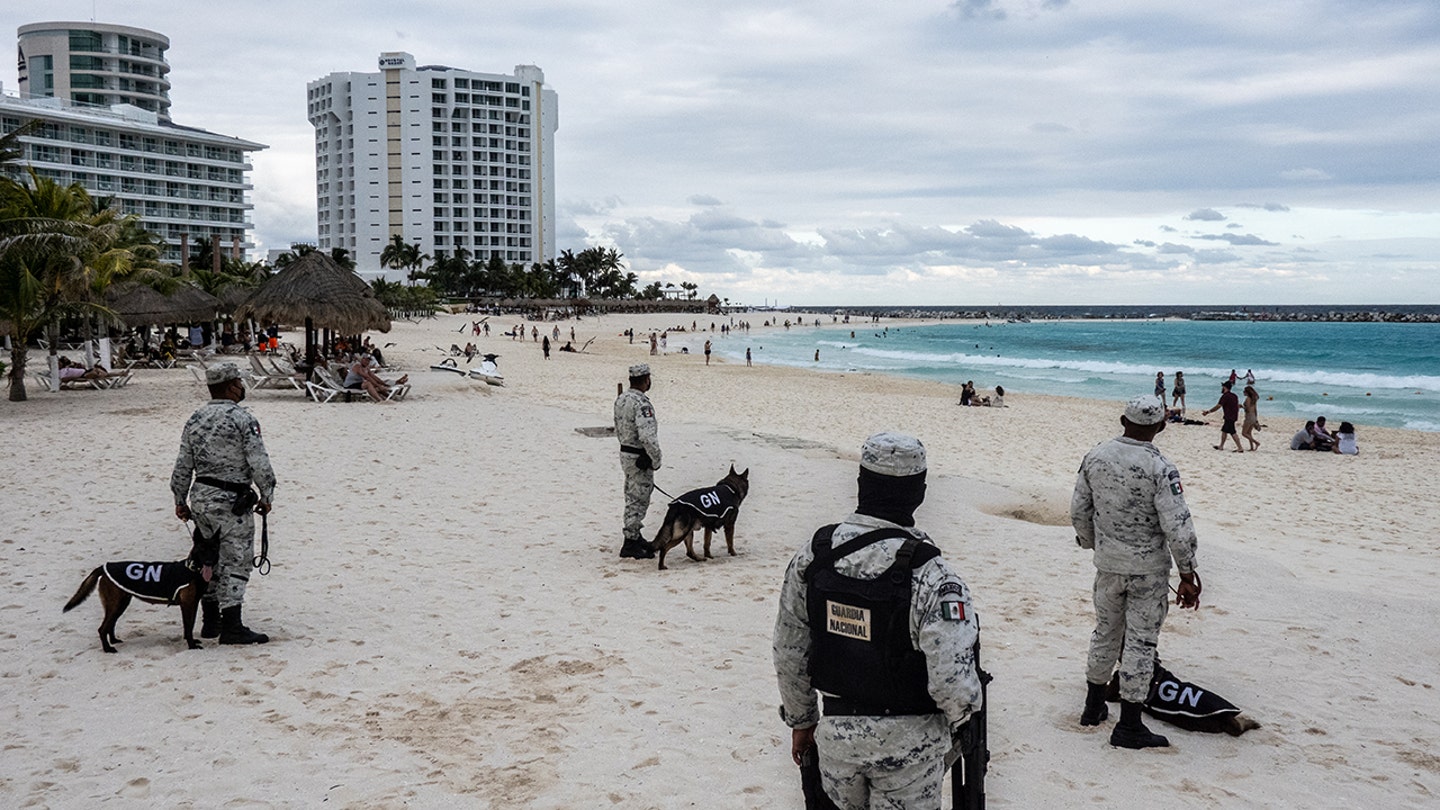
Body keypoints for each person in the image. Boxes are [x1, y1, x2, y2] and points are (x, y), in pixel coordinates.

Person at [774, 433, 983, 808]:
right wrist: (961, 723)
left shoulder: (815, 555)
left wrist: (801, 720)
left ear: (860, 484)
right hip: (910, 750)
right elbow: (952, 681)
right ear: (919, 493)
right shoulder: (933, 574)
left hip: (838, 741)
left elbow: (789, 650)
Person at [1072, 395, 1201, 749]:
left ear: (1122, 420)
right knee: (1141, 644)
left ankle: (1092, 707)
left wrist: (1092, 544)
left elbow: (1079, 510)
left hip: (1109, 564)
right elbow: (1177, 525)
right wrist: (1188, 573)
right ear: (1161, 427)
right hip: (1147, 572)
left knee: (1105, 633)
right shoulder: (1160, 466)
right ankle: (1129, 725)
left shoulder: (1095, 456)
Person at [170, 364, 276, 645]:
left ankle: (210, 621)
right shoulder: (243, 418)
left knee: (208, 558)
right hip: (232, 500)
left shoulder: (195, 418)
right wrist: (267, 495)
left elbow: (183, 464)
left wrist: (180, 499)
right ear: (231, 386)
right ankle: (232, 625)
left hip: (202, 498)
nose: (242, 387)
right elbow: (259, 461)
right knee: (237, 560)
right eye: (240, 382)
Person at [614, 363, 661, 559]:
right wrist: (656, 459)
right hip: (639, 457)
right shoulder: (641, 404)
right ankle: (630, 541)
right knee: (639, 498)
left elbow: (618, 427)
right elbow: (647, 437)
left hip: (626, 452)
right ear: (646, 380)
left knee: (631, 494)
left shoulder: (622, 399)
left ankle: (634, 535)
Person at [1202, 381, 1243, 452]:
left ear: (1224, 387)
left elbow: (1218, 406)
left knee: (1232, 432)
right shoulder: (1234, 396)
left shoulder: (1225, 396)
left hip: (1229, 416)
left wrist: (1208, 412)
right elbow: (1237, 406)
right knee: (1224, 430)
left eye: (1222, 387)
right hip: (1233, 415)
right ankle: (1221, 446)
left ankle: (1240, 448)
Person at [1239, 385, 1261, 450]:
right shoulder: (1254, 399)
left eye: (1244, 391)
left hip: (1249, 417)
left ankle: (1256, 443)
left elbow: (1247, 409)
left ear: (1247, 392)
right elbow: (1255, 409)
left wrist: (1242, 406)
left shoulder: (1248, 399)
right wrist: (1256, 419)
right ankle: (1251, 447)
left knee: (1244, 433)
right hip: (1253, 416)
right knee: (1249, 433)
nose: (1243, 392)